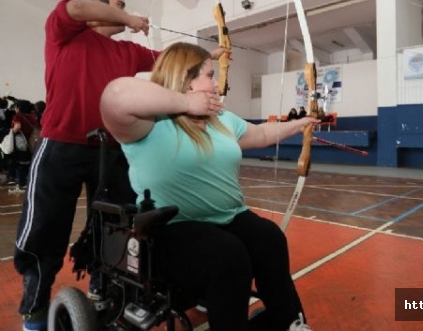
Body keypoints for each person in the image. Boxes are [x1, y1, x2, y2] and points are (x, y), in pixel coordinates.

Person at [100, 42, 318, 331]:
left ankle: (289, 322)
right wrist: (186, 104)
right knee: (228, 256)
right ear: (187, 80)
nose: (217, 84)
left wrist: (300, 124)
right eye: (209, 75)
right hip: (173, 227)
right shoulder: (148, 123)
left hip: (228, 217)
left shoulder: (221, 119)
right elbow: (114, 95)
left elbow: (263, 133)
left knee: (269, 238)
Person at [14, 0, 160, 331]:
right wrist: (131, 19)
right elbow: (76, 9)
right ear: (98, 5)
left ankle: (103, 290)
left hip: (109, 151)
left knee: (113, 227)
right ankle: (35, 310)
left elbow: (169, 60)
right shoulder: (65, 32)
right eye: (117, 5)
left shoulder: (126, 52)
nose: (122, 12)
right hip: (60, 146)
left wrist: (212, 56)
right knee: (45, 229)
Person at [10, 100, 40, 191]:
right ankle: (29, 182)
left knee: (19, 164)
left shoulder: (18, 116)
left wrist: (10, 132)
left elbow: (18, 127)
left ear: (19, 107)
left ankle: (22, 184)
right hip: (32, 143)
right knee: (29, 163)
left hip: (21, 143)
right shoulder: (32, 117)